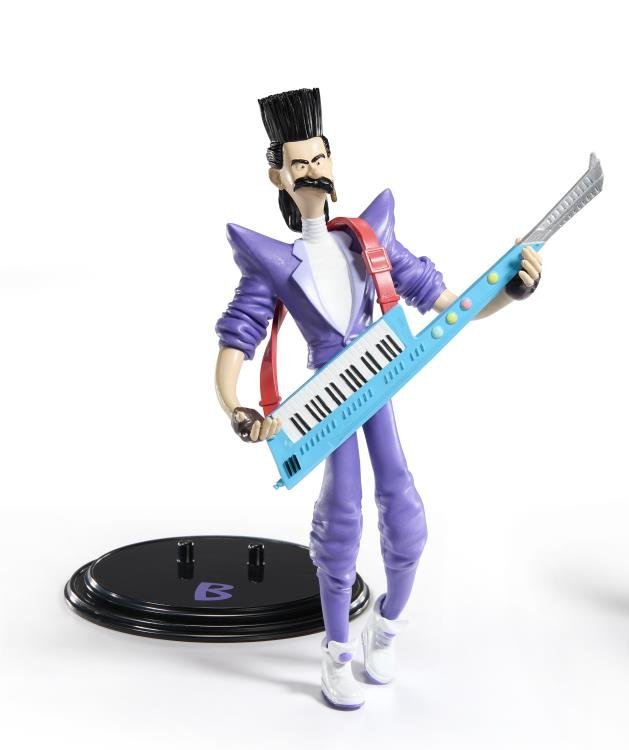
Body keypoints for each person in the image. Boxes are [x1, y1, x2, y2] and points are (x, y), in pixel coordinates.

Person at [214, 88, 541, 709]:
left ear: (332, 159)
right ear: (278, 176)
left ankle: (387, 626)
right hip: (327, 399)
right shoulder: (272, 261)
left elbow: (452, 306)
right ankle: (337, 650)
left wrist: (511, 290)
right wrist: (236, 408)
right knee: (341, 515)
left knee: (402, 502)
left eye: (319, 158)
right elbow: (239, 339)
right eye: (299, 163)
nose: (313, 171)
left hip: (378, 381)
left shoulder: (370, 238)